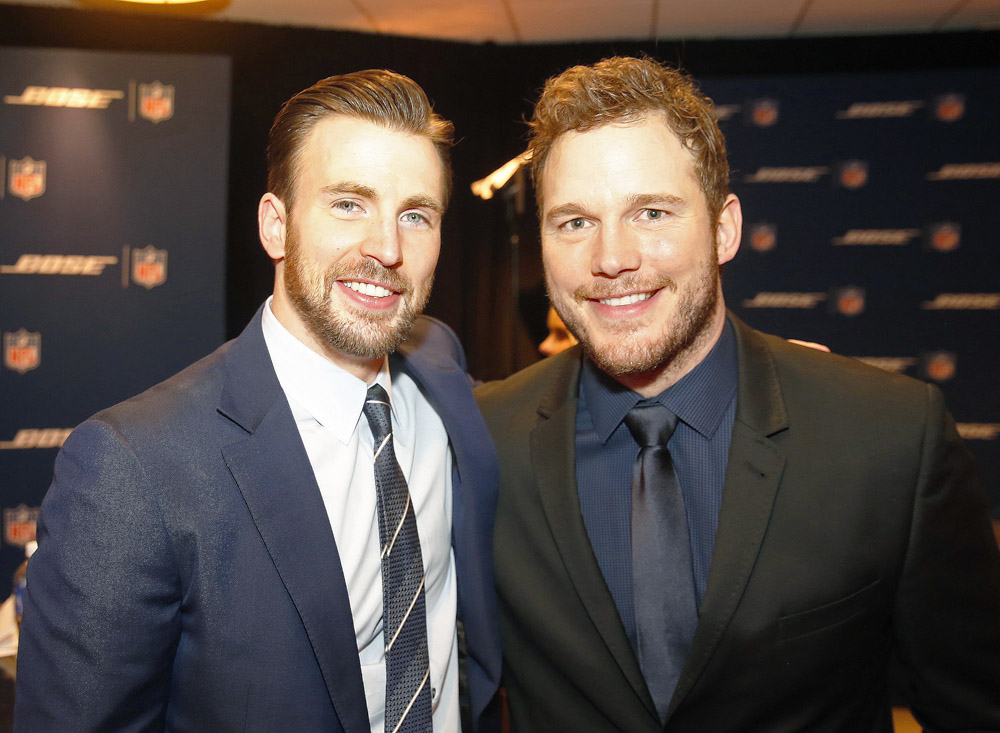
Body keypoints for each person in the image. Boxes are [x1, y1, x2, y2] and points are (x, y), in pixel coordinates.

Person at [475, 57, 1000, 731]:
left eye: (652, 211)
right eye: (573, 221)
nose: (611, 257)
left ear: (724, 228)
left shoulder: (891, 437)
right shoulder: (484, 443)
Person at [16, 70, 501, 733]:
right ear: (276, 226)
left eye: (415, 214)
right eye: (348, 204)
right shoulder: (135, 468)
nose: (388, 249)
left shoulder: (439, 369)